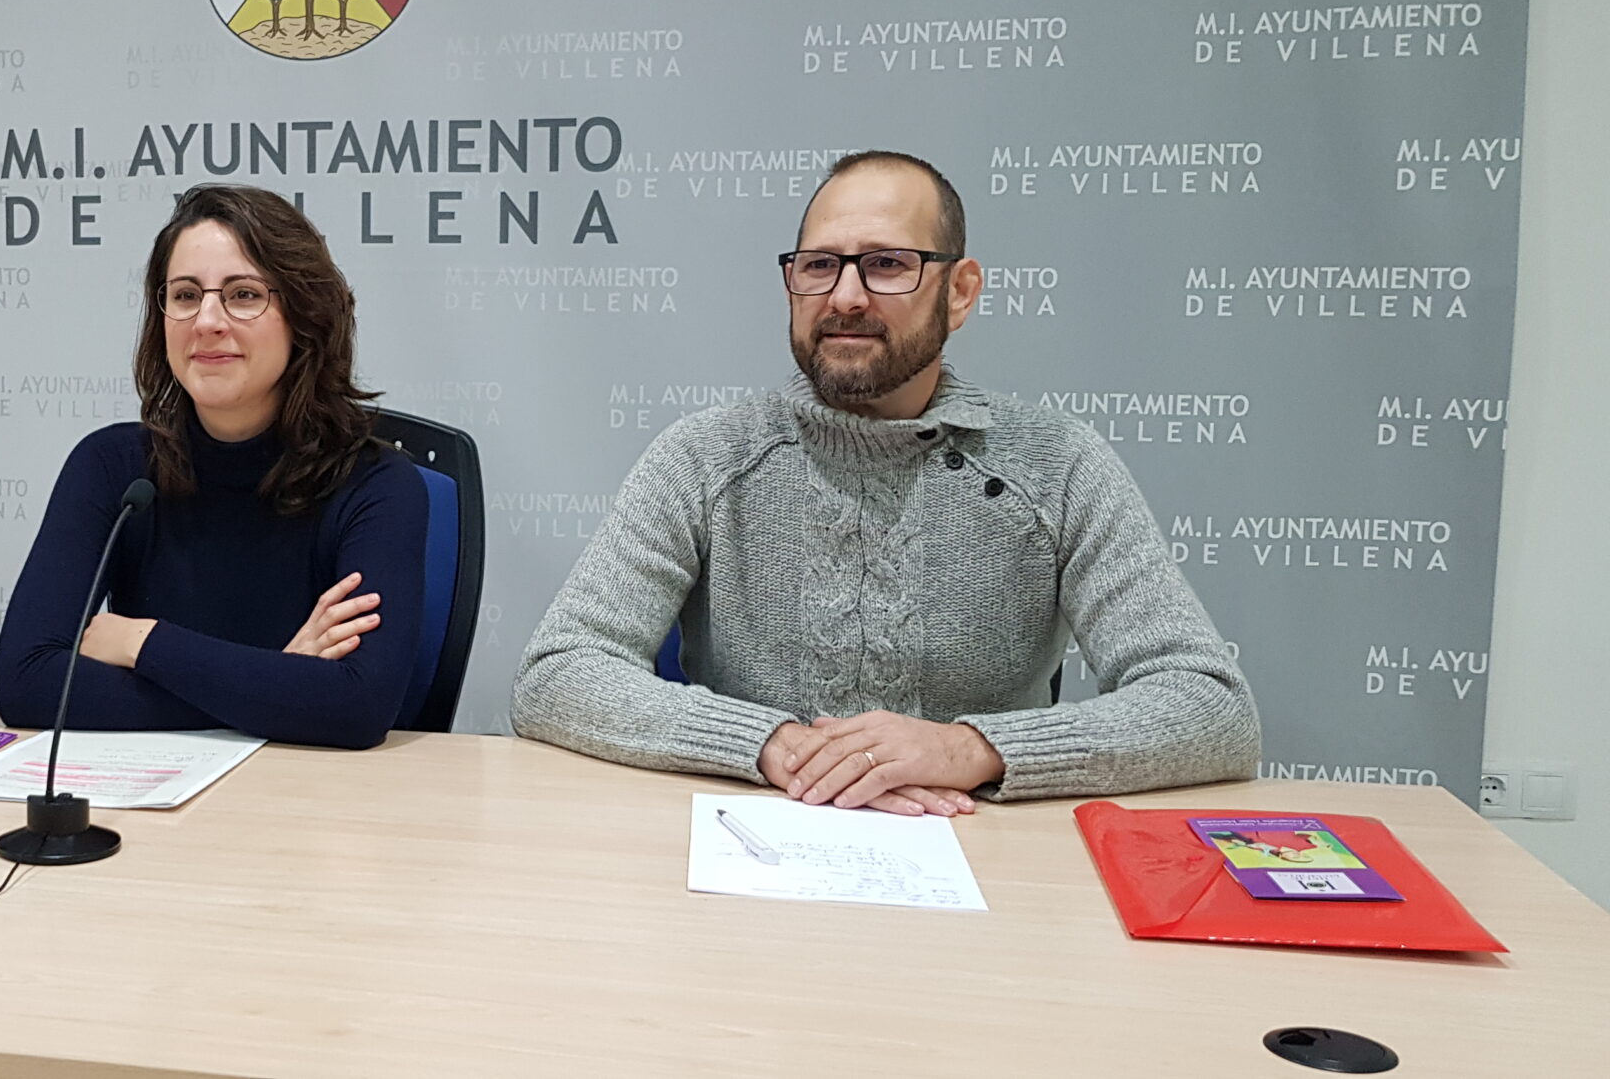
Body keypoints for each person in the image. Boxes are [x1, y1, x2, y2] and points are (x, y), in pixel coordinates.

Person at [514, 150, 1258, 811]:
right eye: (819, 265)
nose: (845, 296)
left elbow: (1211, 707)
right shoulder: (705, 458)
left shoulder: (1058, 465)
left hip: (988, 860)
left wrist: (968, 750)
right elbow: (559, 671)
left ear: (959, 291)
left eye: (888, 264)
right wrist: (772, 745)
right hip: (754, 846)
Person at [0, 184, 427, 749]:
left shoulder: (377, 484)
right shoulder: (112, 468)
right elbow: (26, 683)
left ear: (305, 315)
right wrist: (278, 685)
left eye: (244, 295)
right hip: (153, 791)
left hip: (312, 794)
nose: (207, 321)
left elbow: (358, 707)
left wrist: (143, 643)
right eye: (185, 295)